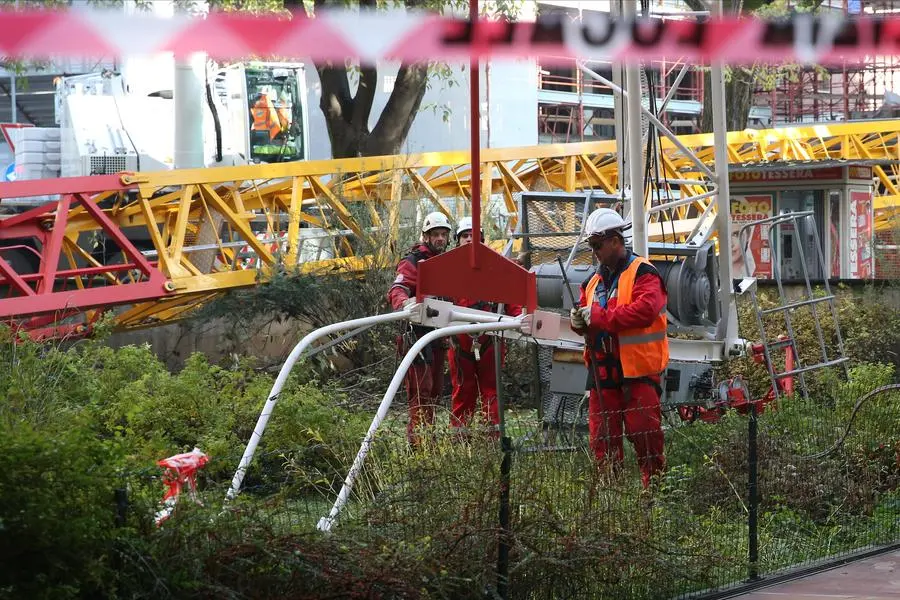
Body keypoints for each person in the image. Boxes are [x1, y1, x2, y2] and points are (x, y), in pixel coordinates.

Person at [570, 208, 669, 489]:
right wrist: (578, 321)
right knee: (602, 442)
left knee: (645, 436)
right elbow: (586, 316)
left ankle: (656, 493)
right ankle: (610, 500)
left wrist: (597, 317)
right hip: (603, 376)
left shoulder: (644, 273)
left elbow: (644, 310)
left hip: (637, 373)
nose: (594, 252)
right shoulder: (592, 282)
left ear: (615, 241)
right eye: (591, 246)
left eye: (597, 245)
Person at [446, 217, 522, 440]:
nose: (469, 240)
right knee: (463, 391)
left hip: (491, 340)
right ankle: (461, 441)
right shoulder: (448, 270)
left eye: (473, 236)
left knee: (491, 391)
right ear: (458, 241)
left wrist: (519, 319)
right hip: (460, 342)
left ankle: (492, 440)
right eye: (465, 236)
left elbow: (512, 298)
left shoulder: (495, 267)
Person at [387, 211, 452, 447]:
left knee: (434, 391)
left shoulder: (446, 264)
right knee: (420, 391)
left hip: (436, 336)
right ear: (426, 236)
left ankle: (429, 440)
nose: (440, 239)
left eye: (444, 235)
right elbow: (398, 288)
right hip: (415, 335)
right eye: (435, 234)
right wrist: (406, 303)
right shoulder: (413, 262)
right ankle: (418, 443)